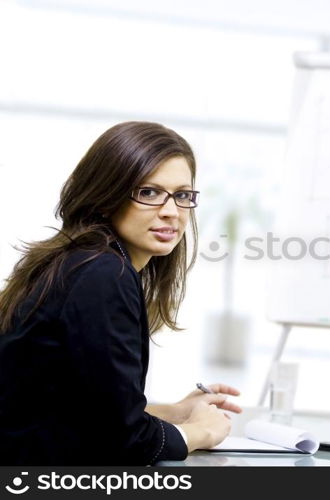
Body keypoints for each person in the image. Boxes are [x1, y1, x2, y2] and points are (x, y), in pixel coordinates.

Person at [0, 121, 242, 465]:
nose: (171, 211)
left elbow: (85, 415)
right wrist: (201, 432)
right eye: (149, 192)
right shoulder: (102, 274)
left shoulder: (81, 262)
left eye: (182, 195)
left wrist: (175, 412)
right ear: (104, 197)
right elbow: (123, 443)